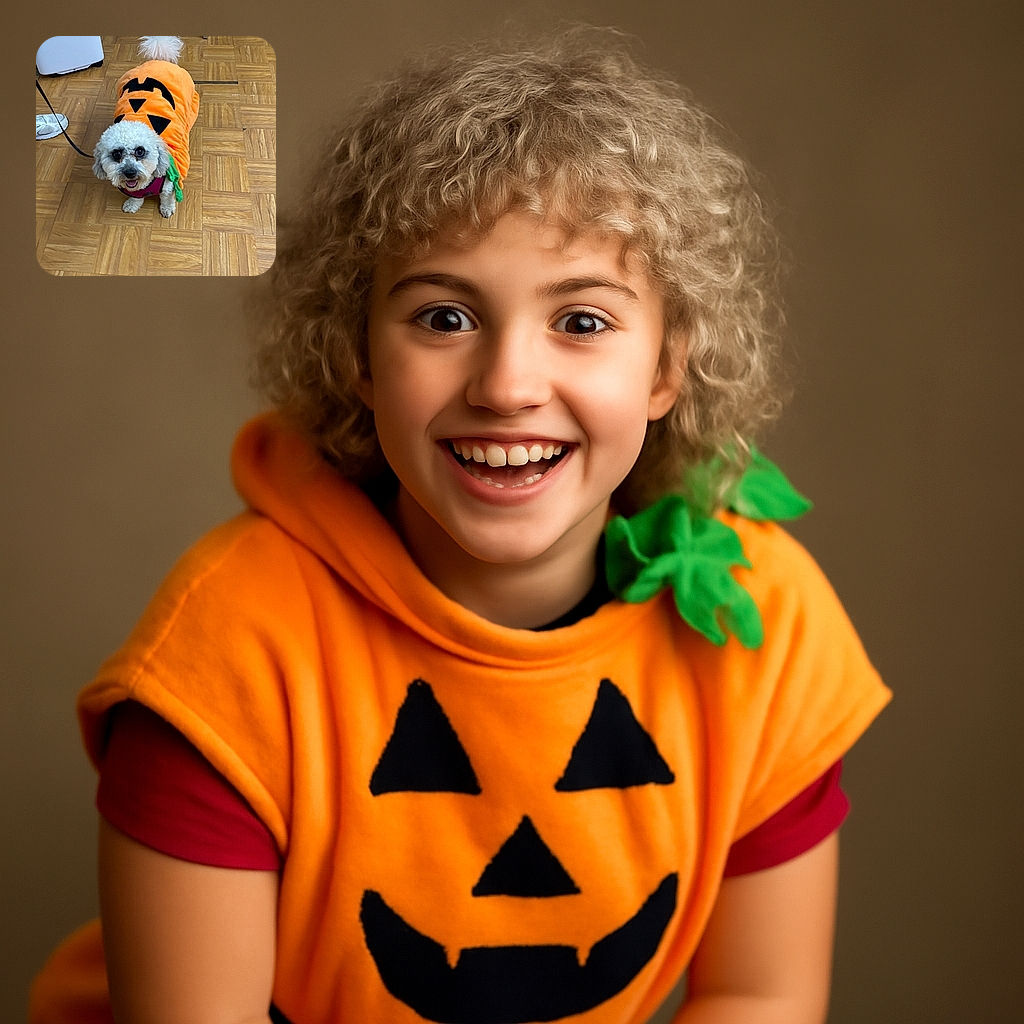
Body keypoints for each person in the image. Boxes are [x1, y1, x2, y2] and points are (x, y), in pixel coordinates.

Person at [30, 27, 890, 1024]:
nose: (509, 386)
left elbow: (760, 994)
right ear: (354, 352)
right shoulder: (229, 650)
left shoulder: (760, 624)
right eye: (444, 318)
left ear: (665, 369)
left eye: (581, 320)